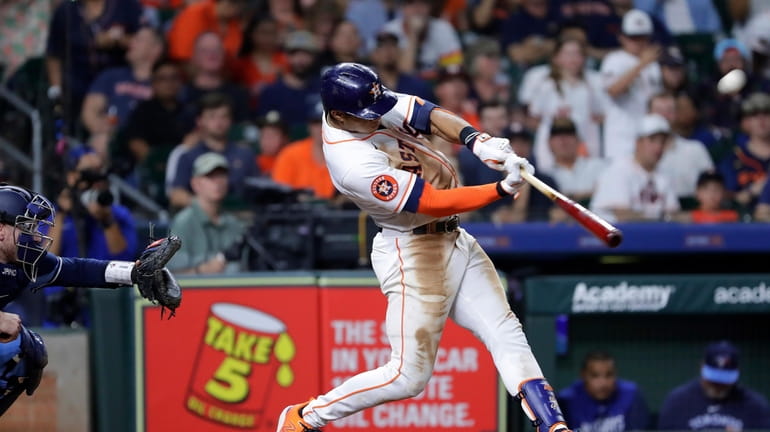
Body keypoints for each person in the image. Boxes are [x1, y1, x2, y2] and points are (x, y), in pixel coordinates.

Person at [274, 62, 574, 432]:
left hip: (454, 238)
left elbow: (425, 113)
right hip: (412, 251)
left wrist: (477, 141)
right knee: (407, 376)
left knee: (504, 329)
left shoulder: (363, 101)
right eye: (368, 115)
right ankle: (305, 417)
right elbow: (429, 200)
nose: (378, 116)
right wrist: (501, 189)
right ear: (338, 114)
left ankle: (552, 425)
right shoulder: (350, 162)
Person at [0, 183, 180, 415]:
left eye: (35, 227)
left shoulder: (23, 261)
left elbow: (75, 270)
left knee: (28, 352)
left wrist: (133, 273)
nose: (35, 236)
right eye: (27, 227)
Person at [658, 340, 770, 430]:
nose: (718, 385)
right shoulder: (678, 401)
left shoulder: (755, 406)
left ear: (737, 372)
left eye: (724, 381)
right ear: (702, 367)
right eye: (713, 380)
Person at [590, 114, 681, 223]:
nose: (658, 147)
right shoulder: (618, 170)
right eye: (652, 140)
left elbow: (673, 214)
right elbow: (622, 216)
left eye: (662, 141)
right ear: (638, 142)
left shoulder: (665, 173)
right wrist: (660, 216)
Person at [167, 153, 245, 275]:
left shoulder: (234, 224)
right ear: (195, 184)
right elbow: (170, 277)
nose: (218, 182)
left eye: (222, 176)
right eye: (210, 176)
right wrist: (202, 271)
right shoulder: (184, 222)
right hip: (195, 293)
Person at [600, 9, 662, 160]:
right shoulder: (614, 60)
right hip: (621, 137)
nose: (639, 43)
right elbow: (613, 90)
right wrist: (641, 64)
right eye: (633, 38)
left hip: (648, 134)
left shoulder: (654, 65)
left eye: (643, 38)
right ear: (622, 37)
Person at [558, 350, 651, 432]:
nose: (603, 383)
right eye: (595, 376)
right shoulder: (566, 401)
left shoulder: (632, 395)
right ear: (584, 375)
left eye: (609, 375)